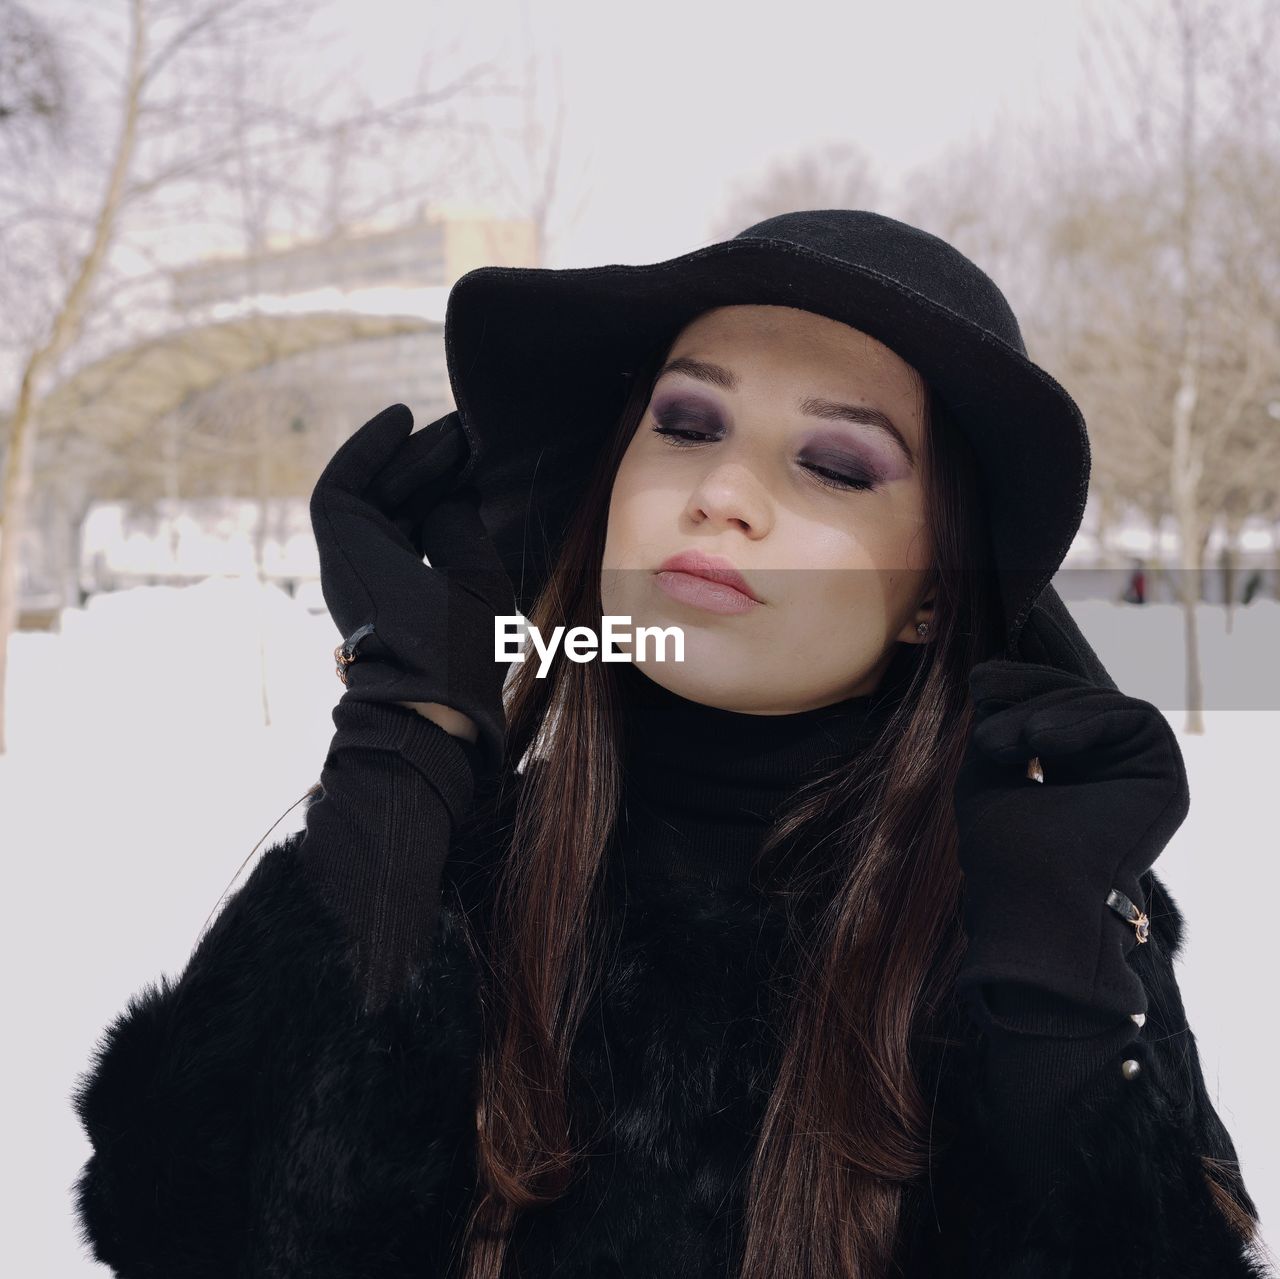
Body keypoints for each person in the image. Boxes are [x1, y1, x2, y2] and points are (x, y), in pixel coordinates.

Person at [69, 210, 1268, 1278]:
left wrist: (1053, 993)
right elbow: (194, 1227)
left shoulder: (1018, 910)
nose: (721, 493)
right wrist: (407, 731)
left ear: (930, 600)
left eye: (833, 463)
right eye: (686, 424)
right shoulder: (450, 868)